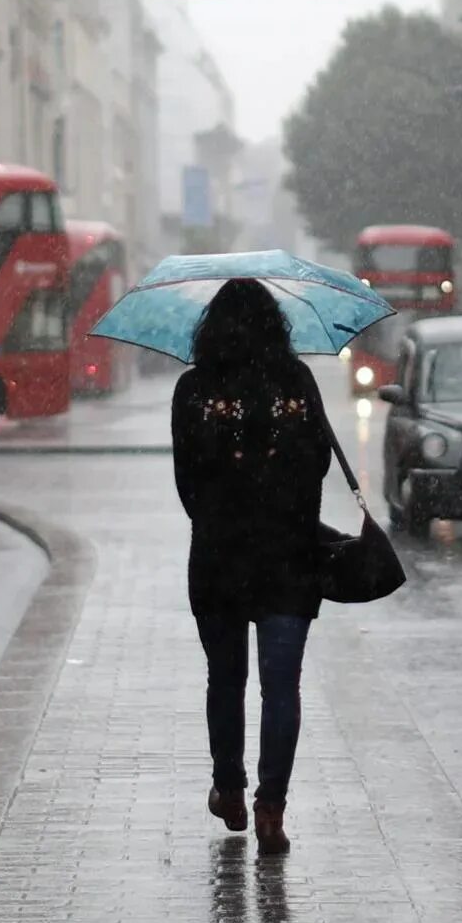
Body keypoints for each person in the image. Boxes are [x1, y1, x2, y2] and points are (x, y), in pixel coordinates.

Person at [171, 278, 331, 856]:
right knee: (281, 687)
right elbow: (318, 466)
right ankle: (271, 808)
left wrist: (223, 514)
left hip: (217, 558)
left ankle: (229, 788)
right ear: (276, 326)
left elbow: (186, 483)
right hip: (288, 558)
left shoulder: (192, 390)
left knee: (227, 679)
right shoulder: (297, 382)